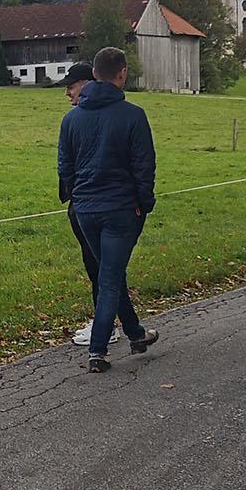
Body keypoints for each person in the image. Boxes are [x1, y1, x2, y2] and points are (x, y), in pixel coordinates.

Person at [58, 45, 158, 373]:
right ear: (122, 73)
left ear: (94, 75)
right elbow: (144, 165)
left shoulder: (71, 119)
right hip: (121, 208)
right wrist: (144, 203)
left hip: (85, 209)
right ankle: (98, 349)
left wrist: (78, 196)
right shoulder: (133, 115)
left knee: (110, 273)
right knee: (110, 277)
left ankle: (136, 333)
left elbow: (65, 166)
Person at [53, 61, 114, 349]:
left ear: (88, 84)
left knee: (100, 265)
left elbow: (72, 163)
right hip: (85, 201)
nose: (67, 93)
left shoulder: (85, 118)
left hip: (93, 202)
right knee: (100, 265)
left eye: (71, 86)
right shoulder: (78, 117)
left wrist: (76, 193)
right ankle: (118, 323)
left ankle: (107, 326)